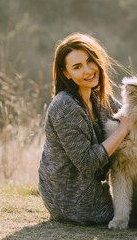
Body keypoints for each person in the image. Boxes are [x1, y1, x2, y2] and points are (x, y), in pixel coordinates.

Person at [38, 32, 131, 225]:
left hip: (92, 188)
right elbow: (87, 162)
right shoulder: (65, 107)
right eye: (77, 67)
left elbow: (128, 117)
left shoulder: (99, 97)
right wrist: (122, 131)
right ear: (66, 73)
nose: (88, 70)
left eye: (90, 61)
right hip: (72, 199)